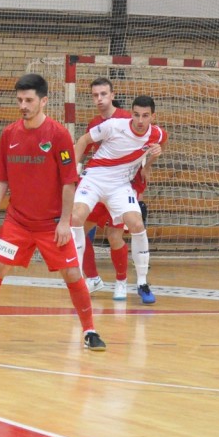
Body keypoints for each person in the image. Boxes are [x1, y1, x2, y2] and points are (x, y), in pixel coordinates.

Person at [0, 73, 106, 351]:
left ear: (43, 101)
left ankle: (90, 331)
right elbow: (2, 178)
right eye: (19, 100)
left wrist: (65, 222)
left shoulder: (58, 135)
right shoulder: (9, 134)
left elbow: (68, 182)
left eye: (29, 100)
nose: (23, 106)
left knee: (73, 274)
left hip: (51, 224)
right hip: (17, 220)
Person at [73, 95, 166, 305]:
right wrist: (71, 173)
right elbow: (83, 140)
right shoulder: (113, 125)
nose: (140, 120)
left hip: (120, 186)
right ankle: (78, 279)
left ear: (153, 116)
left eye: (145, 116)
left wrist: (150, 163)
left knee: (137, 224)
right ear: (131, 113)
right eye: (136, 115)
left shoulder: (158, 134)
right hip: (95, 178)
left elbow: (158, 147)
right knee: (76, 218)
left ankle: (141, 282)